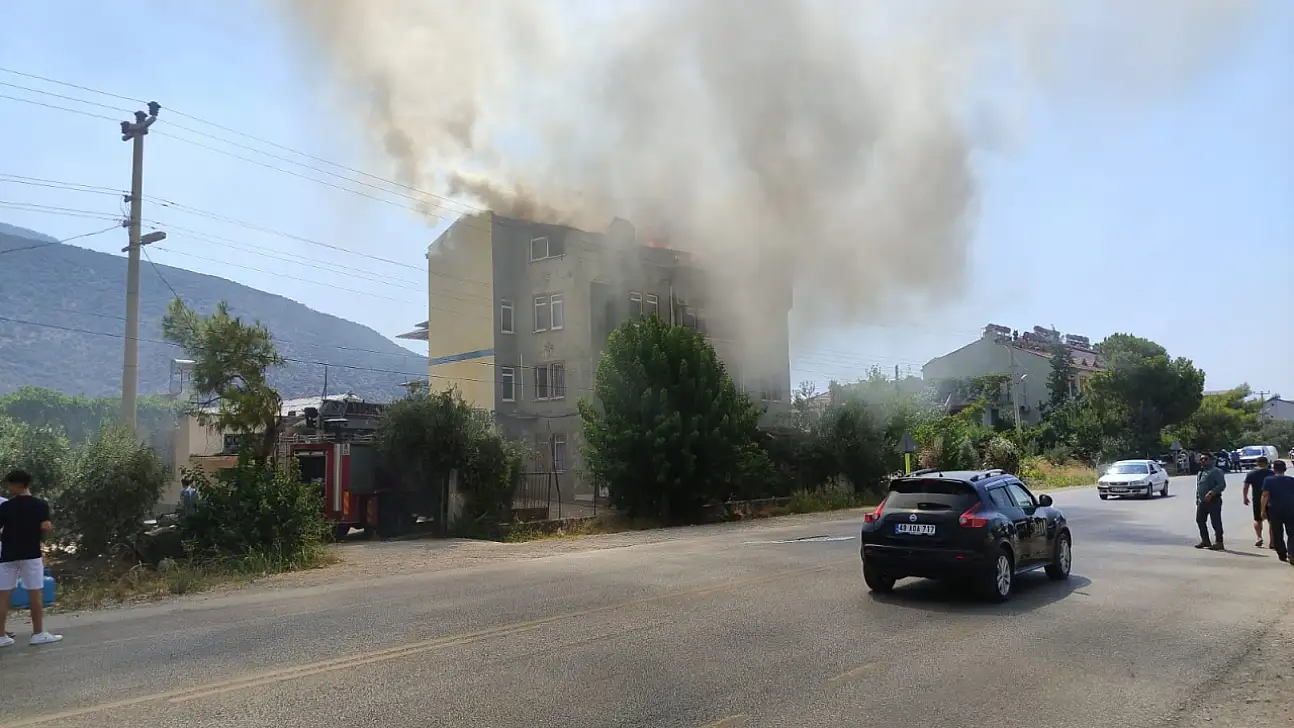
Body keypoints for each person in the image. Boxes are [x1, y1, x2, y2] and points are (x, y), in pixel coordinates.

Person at [0, 469, 62, 647]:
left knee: (2, 595)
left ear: (17, 485)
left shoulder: (5, 507)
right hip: (31, 554)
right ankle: (38, 633)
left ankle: (1, 636)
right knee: (35, 593)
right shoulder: (40, 505)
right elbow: (46, 526)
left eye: (9, 484)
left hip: (8, 555)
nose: (8, 487)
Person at [1261, 460, 1294, 565]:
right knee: (1292, 533)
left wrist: (1262, 510)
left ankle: (1282, 554)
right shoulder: (1291, 480)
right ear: (1285, 469)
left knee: (1277, 532)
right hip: (1290, 508)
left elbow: (1265, 495)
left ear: (1273, 469)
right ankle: (1292, 553)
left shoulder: (1268, 480)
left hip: (1274, 509)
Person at [1194, 452, 1227, 550]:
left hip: (1214, 500)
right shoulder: (1201, 472)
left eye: (1206, 459)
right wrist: (1197, 497)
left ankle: (1219, 542)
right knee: (1200, 520)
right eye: (1202, 459)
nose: (1203, 461)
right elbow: (1199, 486)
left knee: (1216, 522)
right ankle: (1205, 541)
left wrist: (1211, 493)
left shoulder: (1216, 471)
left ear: (1211, 460)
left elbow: (1222, 485)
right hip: (1202, 501)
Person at [1243, 456, 1275, 548]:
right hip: (1270, 499)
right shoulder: (1272, 473)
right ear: (1267, 463)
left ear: (1257, 463)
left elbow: (1246, 486)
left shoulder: (1251, 473)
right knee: (1271, 521)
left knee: (1257, 519)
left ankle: (1259, 537)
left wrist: (1245, 497)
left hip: (1257, 499)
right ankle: (1272, 542)